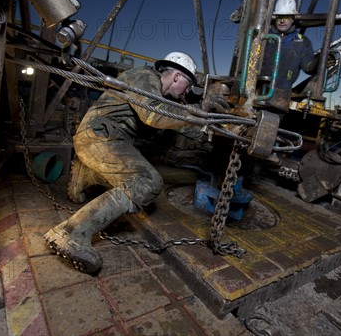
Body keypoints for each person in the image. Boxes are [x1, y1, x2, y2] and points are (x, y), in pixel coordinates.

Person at [44, 51, 226, 275]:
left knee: (141, 167)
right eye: (187, 86)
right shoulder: (143, 78)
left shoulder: (154, 93)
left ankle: (86, 175)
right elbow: (154, 116)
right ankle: (71, 233)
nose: (186, 93)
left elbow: (174, 128)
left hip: (101, 141)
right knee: (147, 181)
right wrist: (201, 111)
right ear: (177, 77)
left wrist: (212, 131)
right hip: (99, 139)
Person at [259, 0, 317, 112]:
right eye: (279, 17)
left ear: (293, 19)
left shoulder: (302, 42)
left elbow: (308, 67)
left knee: (271, 124)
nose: (282, 20)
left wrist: (320, 62)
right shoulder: (262, 37)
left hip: (282, 94)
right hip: (257, 89)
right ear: (275, 18)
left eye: (286, 17)